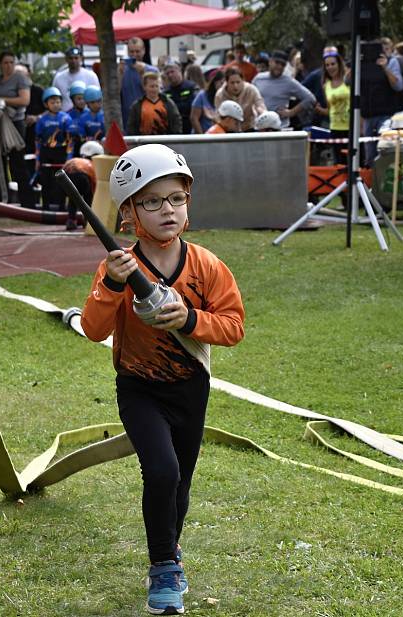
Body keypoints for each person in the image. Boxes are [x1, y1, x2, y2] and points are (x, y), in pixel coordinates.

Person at [80, 143, 244, 616]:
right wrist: (112, 284)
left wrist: (190, 319)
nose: (167, 210)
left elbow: (233, 326)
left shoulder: (208, 265)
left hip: (190, 386)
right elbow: (92, 328)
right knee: (162, 471)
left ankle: (171, 551)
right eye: (151, 202)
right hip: (139, 388)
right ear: (128, 212)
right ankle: (163, 569)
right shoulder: (118, 266)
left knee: (182, 483)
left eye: (176, 198)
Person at [0, 50, 36, 208]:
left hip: (15, 124)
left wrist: (2, 101)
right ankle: (2, 200)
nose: (8, 65)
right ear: (0, 64)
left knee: (17, 162)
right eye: (5, 63)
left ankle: (28, 201)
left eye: (11, 62)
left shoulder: (20, 79)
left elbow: (25, 100)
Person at [361, 39, 403, 166]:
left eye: (386, 50)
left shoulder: (392, 62)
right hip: (367, 116)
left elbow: (399, 86)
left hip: (385, 115)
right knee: (369, 156)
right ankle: (371, 183)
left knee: (385, 152)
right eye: (381, 50)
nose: (383, 53)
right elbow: (348, 82)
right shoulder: (364, 64)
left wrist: (384, 67)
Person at [253, 50, 316, 129]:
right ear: (270, 62)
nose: (279, 66)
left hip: (280, 128)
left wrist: (291, 112)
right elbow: (250, 97)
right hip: (259, 127)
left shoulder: (288, 82)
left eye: (282, 64)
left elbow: (310, 98)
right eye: (277, 63)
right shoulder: (259, 78)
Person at [35, 87, 72, 210]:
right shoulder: (42, 120)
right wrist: (37, 159)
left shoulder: (66, 118)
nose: (56, 105)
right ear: (46, 104)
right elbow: (38, 140)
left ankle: (62, 206)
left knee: (61, 181)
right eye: (52, 102)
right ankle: (45, 206)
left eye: (58, 102)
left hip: (61, 152)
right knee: (46, 180)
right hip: (46, 152)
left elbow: (70, 140)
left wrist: (69, 157)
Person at [316, 49, 350, 163]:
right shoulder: (326, 85)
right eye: (327, 65)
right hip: (335, 127)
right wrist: (319, 109)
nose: (330, 67)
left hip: (351, 127)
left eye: (333, 64)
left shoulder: (349, 80)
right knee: (339, 161)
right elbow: (330, 110)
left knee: (353, 160)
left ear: (339, 64)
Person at [61, 139, 102, 230]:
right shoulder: (91, 165)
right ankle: (88, 221)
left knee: (73, 199)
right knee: (88, 199)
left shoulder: (75, 160)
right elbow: (93, 185)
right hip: (82, 177)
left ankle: (71, 220)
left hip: (64, 177)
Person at [120, 37, 158, 130]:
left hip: (148, 118)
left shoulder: (152, 70)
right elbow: (116, 94)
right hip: (127, 119)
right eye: (131, 52)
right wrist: (119, 74)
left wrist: (142, 74)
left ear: (144, 51)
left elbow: (154, 94)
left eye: (137, 51)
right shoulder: (123, 70)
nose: (134, 55)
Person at [127, 72, 181, 136]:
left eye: (157, 86)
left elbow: (176, 121)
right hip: (144, 141)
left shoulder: (168, 103)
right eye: (151, 86)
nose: (154, 89)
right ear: (144, 87)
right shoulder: (137, 106)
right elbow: (131, 126)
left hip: (165, 141)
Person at [214, 67, 266, 132]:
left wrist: (263, 114)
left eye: (238, 82)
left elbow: (260, 105)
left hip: (249, 126)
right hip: (229, 130)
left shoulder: (251, 89)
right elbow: (218, 115)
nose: (235, 86)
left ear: (243, 80)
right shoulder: (220, 94)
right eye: (232, 83)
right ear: (227, 82)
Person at [52, 46, 100, 113]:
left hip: (86, 116)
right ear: (66, 59)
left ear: (81, 59)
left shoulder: (91, 76)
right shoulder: (59, 77)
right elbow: (54, 98)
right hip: (65, 116)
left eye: (76, 58)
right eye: (71, 58)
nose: (73, 61)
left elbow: (97, 98)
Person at [162, 60, 199, 134]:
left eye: (172, 72)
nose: (170, 75)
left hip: (189, 126)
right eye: (167, 73)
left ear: (179, 71)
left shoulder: (191, 87)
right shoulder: (166, 92)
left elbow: (193, 107)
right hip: (173, 129)